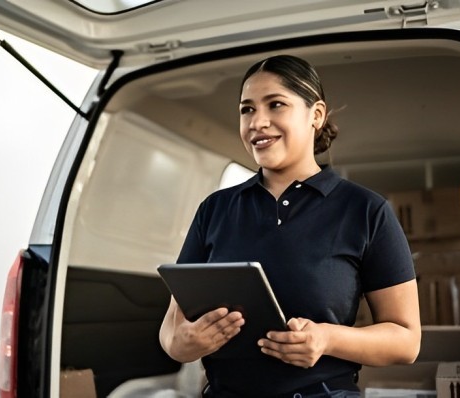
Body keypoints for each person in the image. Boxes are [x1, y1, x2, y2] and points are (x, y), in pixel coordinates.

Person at [158, 54, 421, 397]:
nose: (257, 122)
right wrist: (183, 345)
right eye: (247, 109)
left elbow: (406, 340)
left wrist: (327, 338)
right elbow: (171, 329)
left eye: (276, 104)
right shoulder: (215, 209)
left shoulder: (367, 211)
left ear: (316, 115)